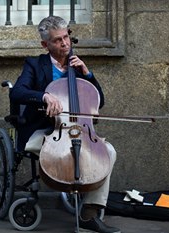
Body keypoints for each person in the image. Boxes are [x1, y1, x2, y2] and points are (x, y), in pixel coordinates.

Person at [10, 16, 121, 233]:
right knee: (59, 153)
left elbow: (99, 101)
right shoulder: (34, 64)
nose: (65, 44)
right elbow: (18, 92)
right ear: (45, 44)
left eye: (66, 37)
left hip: (77, 131)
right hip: (43, 130)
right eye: (58, 40)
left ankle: (90, 212)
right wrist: (44, 96)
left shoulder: (77, 67)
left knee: (108, 152)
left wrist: (87, 74)